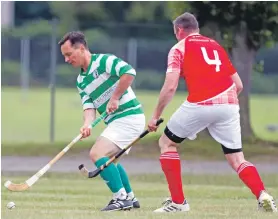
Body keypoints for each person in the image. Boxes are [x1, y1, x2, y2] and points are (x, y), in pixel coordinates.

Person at [148, 12, 277, 213]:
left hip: (201, 103)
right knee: (237, 159)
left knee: (167, 143)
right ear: (196, 29)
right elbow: (239, 85)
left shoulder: (178, 48)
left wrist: (155, 116)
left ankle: (178, 203)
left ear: (179, 30)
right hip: (229, 104)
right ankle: (263, 195)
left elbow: (170, 86)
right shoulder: (215, 46)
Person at [59, 31, 145, 212]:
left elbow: (129, 72)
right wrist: (87, 124)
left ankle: (120, 198)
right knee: (110, 161)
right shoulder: (81, 80)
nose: (67, 60)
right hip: (117, 121)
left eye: (69, 54)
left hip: (129, 116)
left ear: (81, 48)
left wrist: (114, 98)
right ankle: (129, 196)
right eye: (64, 56)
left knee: (97, 154)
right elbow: (89, 107)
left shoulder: (104, 61)